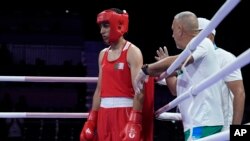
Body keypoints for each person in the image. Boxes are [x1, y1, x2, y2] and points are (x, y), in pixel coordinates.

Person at [135, 11, 224, 140]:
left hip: (204, 121)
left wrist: (145, 70)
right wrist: (167, 69)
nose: (172, 35)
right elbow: (175, 89)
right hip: (197, 123)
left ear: (180, 29)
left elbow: (180, 60)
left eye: (173, 30)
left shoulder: (203, 43)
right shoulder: (192, 57)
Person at [80, 8, 153, 141]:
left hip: (125, 112)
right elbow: (99, 90)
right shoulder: (103, 54)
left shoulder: (133, 52)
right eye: (101, 26)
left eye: (106, 26)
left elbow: (139, 91)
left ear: (119, 24)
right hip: (104, 114)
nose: (102, 31)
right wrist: (91, 119)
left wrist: (134, 121)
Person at [198, 17, 245, 131]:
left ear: (209, 36)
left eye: (197, 35)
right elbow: (176, 90)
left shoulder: (225, 57)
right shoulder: (194, 60)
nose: (192, 40)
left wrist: (236, 131)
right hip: (201, 123)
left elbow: (239, 93)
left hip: (224, 124)